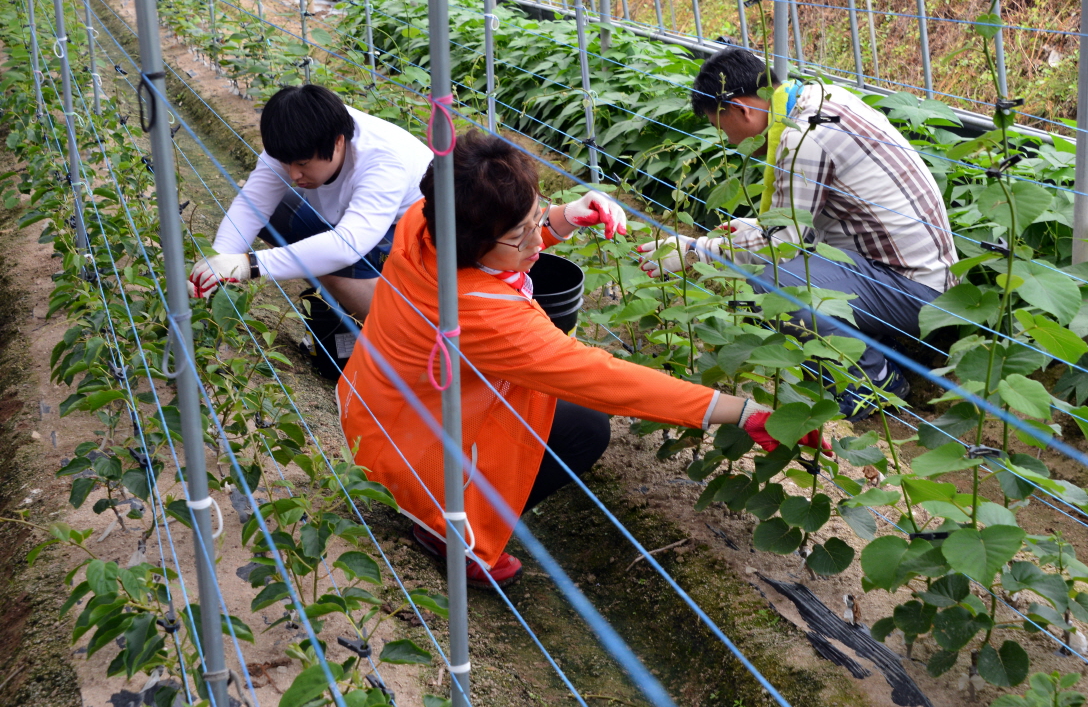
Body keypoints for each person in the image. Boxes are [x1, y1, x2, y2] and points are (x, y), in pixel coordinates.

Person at [337, 131, 794, 588]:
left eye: (537, 215)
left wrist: (563, 217)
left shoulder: (425, 218)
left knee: (551, 410)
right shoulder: (482, 315)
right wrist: (743, 412)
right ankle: (452, 532)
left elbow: (503, 243)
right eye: (523, 233)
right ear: (470, 244)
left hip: (375, 408)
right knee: (584, 429)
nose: (538, 238)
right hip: (409, 452)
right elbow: (604, 377)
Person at [637, 48, 959, 422]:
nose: (728, 140)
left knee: (773, 284)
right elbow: (810, 212)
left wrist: (695, 250)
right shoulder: (820, 100)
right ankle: (869, 343)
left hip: (913, 290)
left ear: (742, 109)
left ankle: (874, 381)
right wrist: (754, 228)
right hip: (909, 271)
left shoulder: (803, 137)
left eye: (722, 127)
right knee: (771, 260)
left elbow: (783, 244)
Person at [189, 84, 433, 321]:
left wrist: (248, 265)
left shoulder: (381, 163)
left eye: (303, 165)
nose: (293, 175)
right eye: (286, 163)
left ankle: (394, 329)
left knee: (334, 268)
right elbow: (253, 203)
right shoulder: (297, 135)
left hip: (416, 233)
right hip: (357, 223)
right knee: (275, 216)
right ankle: (342, 303)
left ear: (338, 143)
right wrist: (217, 264)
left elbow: (347, 246)